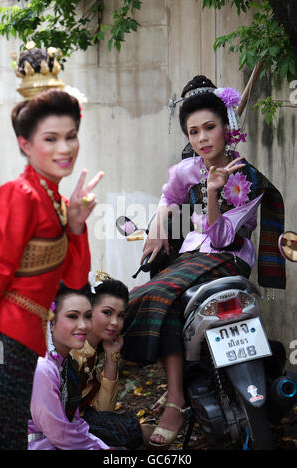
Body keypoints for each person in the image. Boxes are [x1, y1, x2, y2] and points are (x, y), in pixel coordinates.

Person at [121, 75, 286, 447]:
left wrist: (212, 193)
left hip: (228, 260)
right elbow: (169, 194)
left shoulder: (248, 178)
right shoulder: (188, 169)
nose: (202, 139)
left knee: (157, 292)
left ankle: (176, 400)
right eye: (193, 132)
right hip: (194, 256)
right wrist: (159, 226)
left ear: (227, 128)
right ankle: (177, 396)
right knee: (148, 297)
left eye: (209, 128)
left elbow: (223, 237)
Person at [0, 46, 103, 449]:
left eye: (71, 136)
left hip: (24, 340)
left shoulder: (53, 200)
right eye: (51, 139)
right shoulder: (20, 196)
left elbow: (75, 280)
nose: (65, 149)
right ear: (25, 144)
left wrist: (76, 224)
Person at [71, 272, 155, 449]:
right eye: (107, 312)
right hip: (63, 429)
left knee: (154, 435)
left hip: (86, 420)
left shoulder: (95, 351)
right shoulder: (70, 352)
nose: (115, 322)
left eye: (121, 315)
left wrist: (111, 357)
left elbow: (104, 411)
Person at [28, 283, 110, 450]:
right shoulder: (43, 367)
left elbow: (74, 421)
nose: (84, 325)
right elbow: (59, 435)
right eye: (73, 316)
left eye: (87, 316)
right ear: (50, 322)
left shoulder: (65, 362)